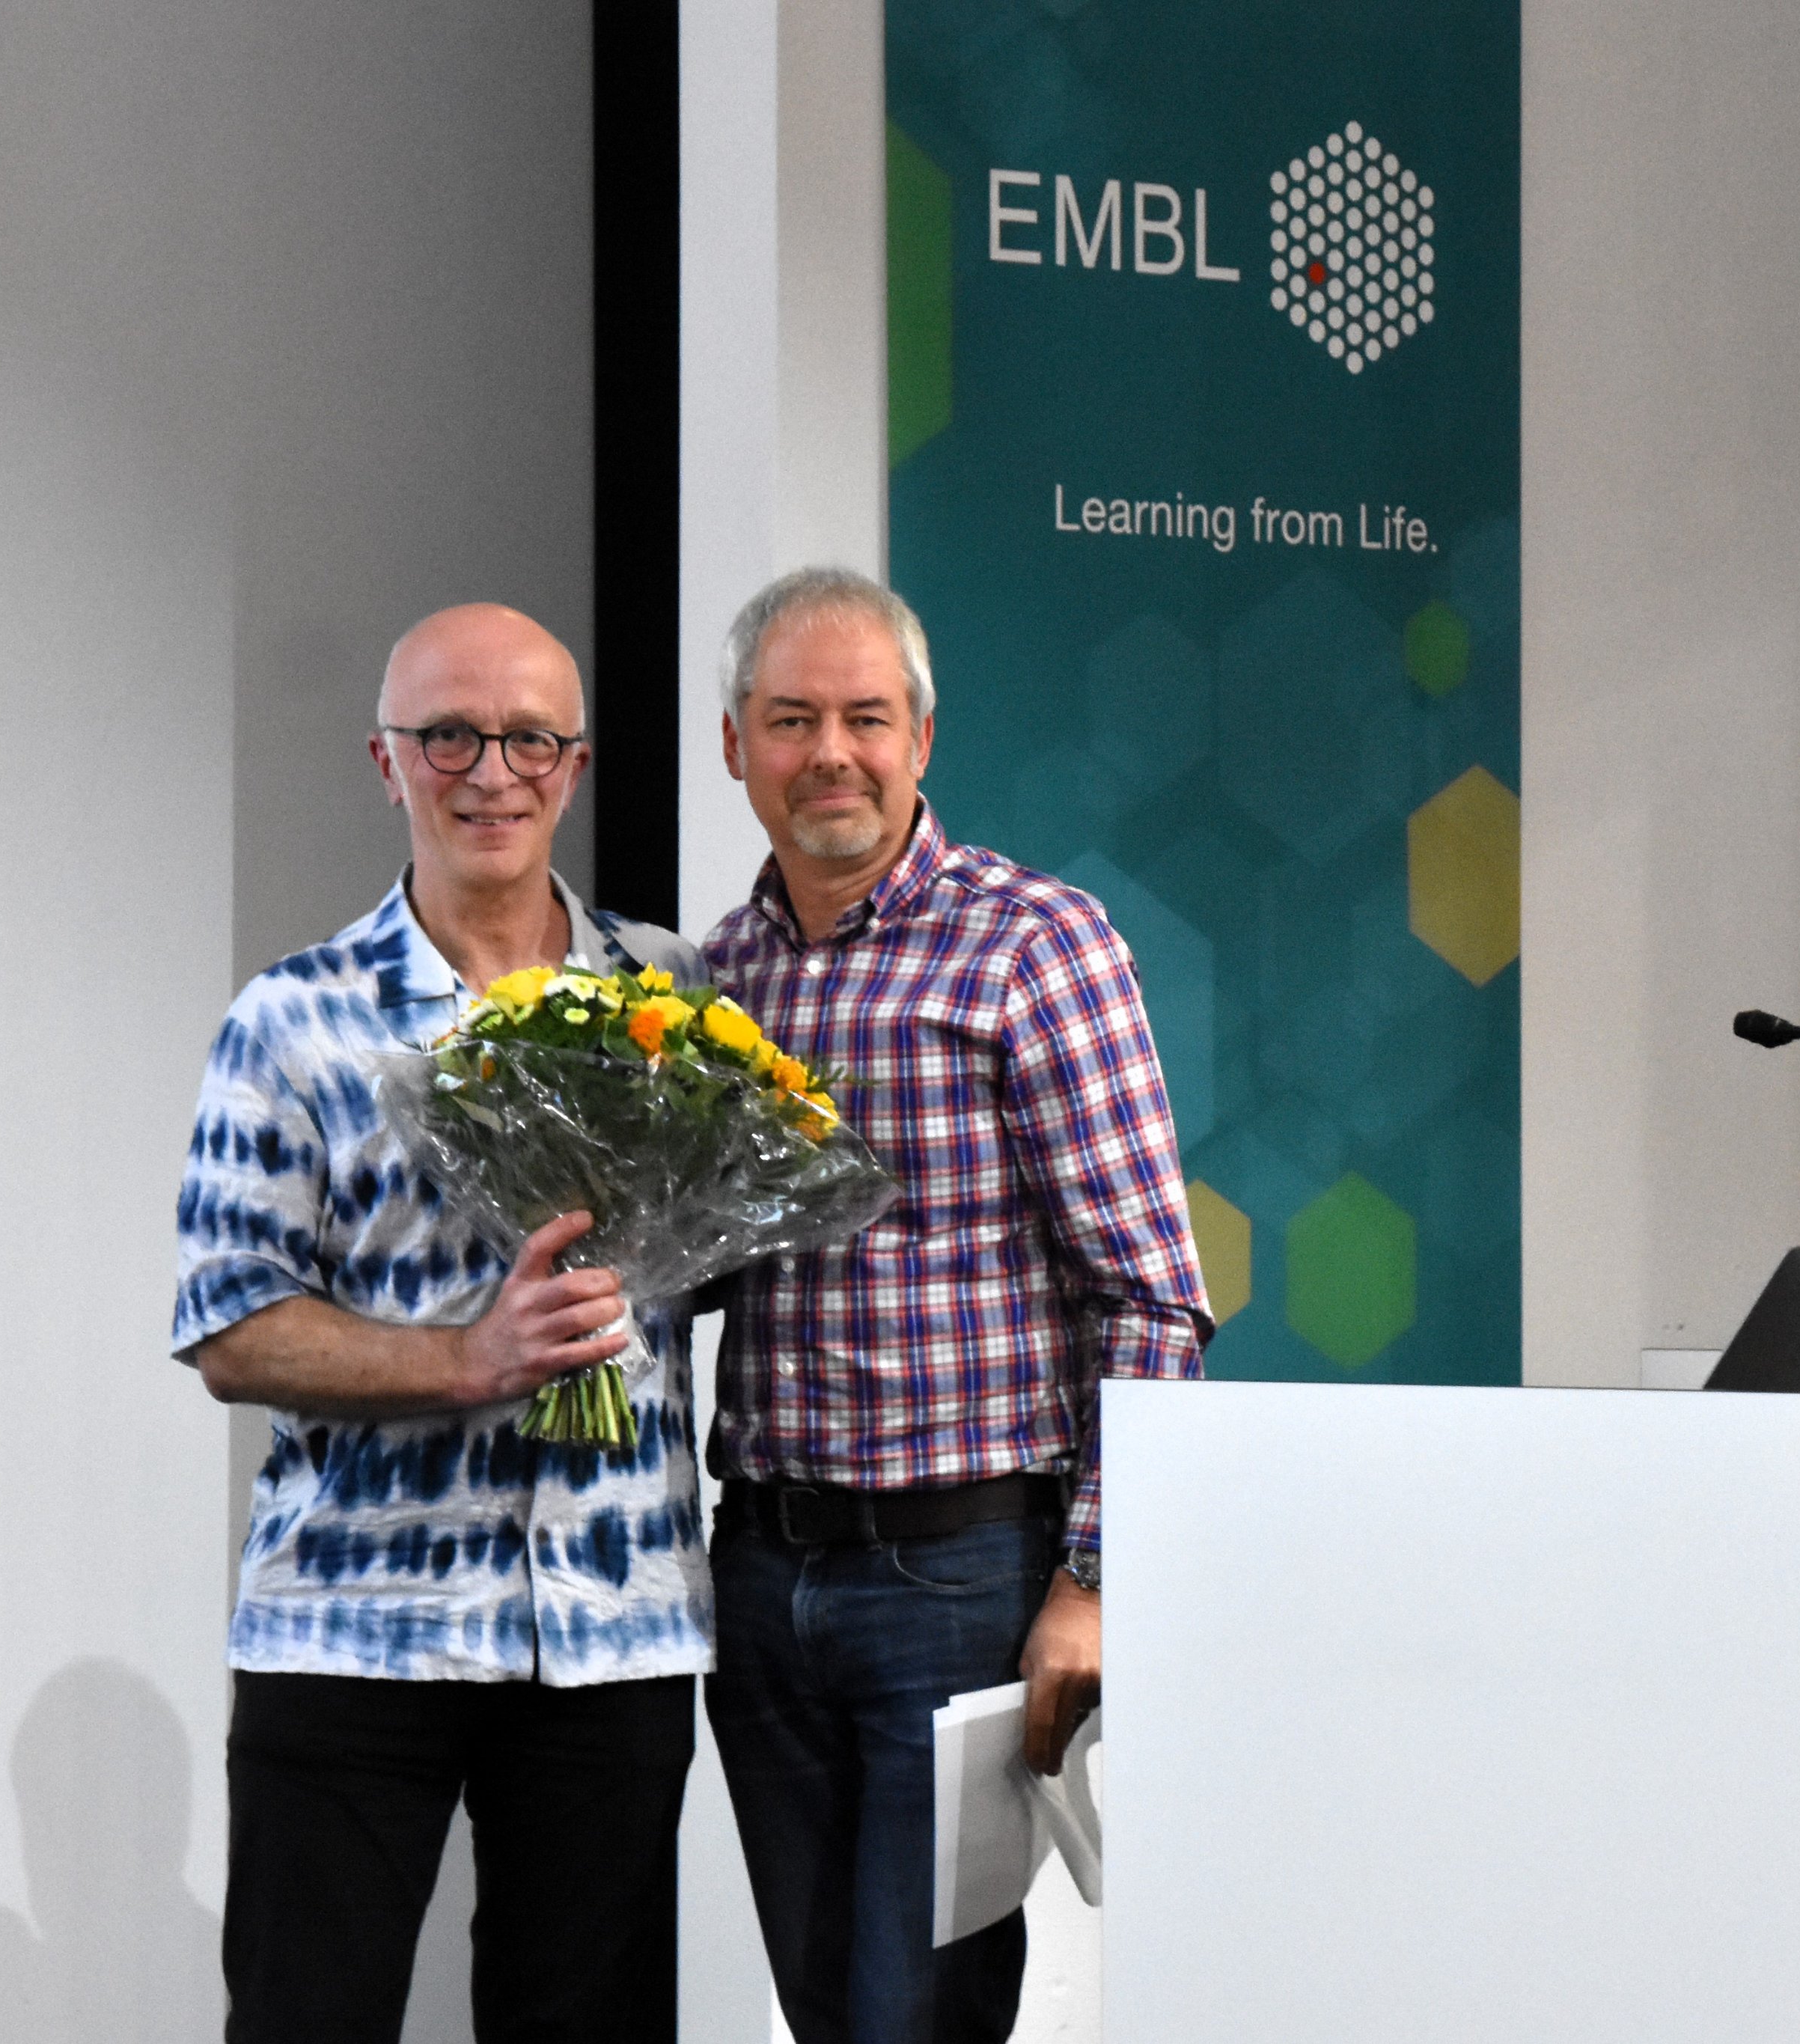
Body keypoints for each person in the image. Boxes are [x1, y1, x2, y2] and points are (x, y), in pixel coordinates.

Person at [170, 603, 706, 2044]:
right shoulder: (291, 1019)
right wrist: (471, 1359)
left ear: (577, 765)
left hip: (613, 1631)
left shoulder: (670, 997)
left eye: (531, 736)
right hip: (355, 1627)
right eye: (449, 736)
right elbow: (231, 1330)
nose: (492, 771)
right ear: (385, 761)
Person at [699, 567, 1213, 2044]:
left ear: (922, 737)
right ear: (733, 746)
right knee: (826, 2014)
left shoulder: (1034, 947)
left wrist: (1093, 1582)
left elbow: (1151, 1300)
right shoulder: (710, 979)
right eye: (790, 719)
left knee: (912, 2023)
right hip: (760, 1579)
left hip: (959, 1582)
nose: (831, 753)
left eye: (866, 716)